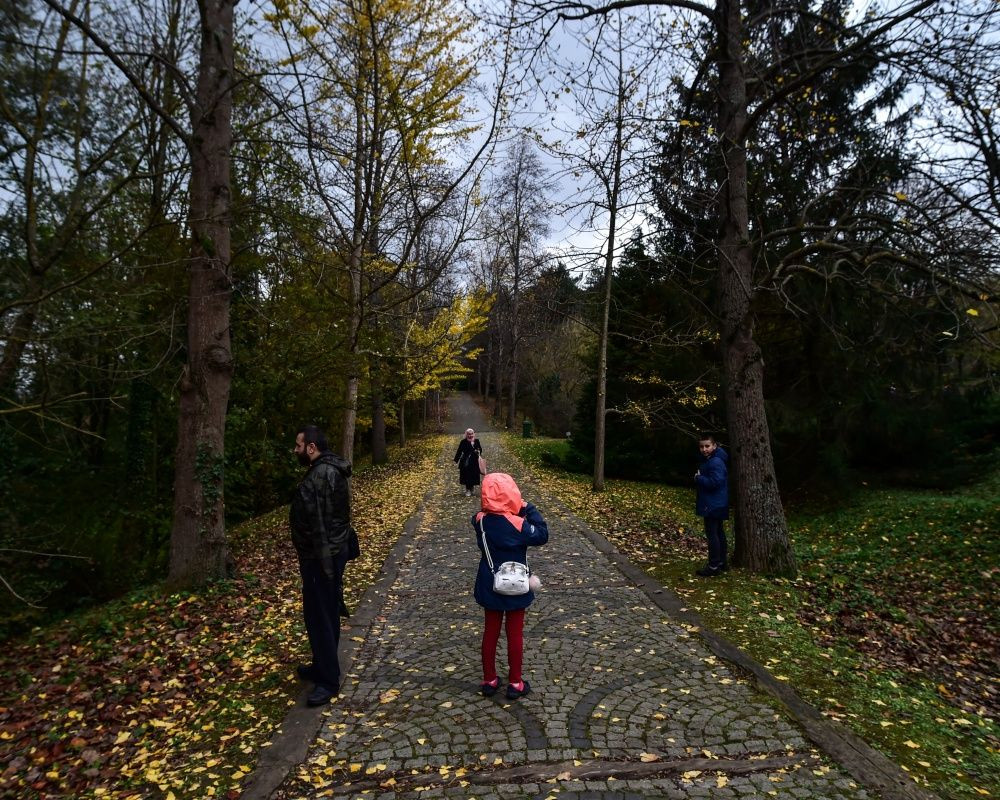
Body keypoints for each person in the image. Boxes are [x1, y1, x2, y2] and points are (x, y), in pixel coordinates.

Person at [290, 425, 353, 706]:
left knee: (322, 617)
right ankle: (320, 665)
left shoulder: (323, 475)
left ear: (312, 447)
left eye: (299, 445)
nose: (296, 450)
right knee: (319, 613)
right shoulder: (325, 470)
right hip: (323, 556)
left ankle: (328, 680)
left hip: (321, 558)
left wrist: (325, 566)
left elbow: (322, 524)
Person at [472, 472, 548, 700]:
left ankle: (489, 679)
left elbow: (481, 514)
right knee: (514, 633)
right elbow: (542, 534)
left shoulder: (480, 521)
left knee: (490, 632)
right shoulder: (519, 525)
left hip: (489, 580)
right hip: (516, 580)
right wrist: (527, 507)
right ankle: (515, 682)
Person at [695, 432, 729, 577]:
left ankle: (714, 566)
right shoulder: (713, 459)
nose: (704, 449)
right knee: (718, 533)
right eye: (702, 447)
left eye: (707, 446)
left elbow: (715, 482)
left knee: (713, 534)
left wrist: (698, 478)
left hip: (713, 503)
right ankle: (721, 562)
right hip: (716, 502)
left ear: (714, 446)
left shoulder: (715, 461)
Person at [454, 428, 484, 496]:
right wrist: (456, 460)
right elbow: (459, 451)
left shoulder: (476, 441)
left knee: (473, 475)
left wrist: (478, 451)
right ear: (466, 434)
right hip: (466, 461)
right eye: (468, 434)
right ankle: (468, 490)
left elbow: (480, 449)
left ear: (473, 434)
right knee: (466, 475)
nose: (470, 435)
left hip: (474, 461)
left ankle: (472, 487)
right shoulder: (463, 441)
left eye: (471, 434)